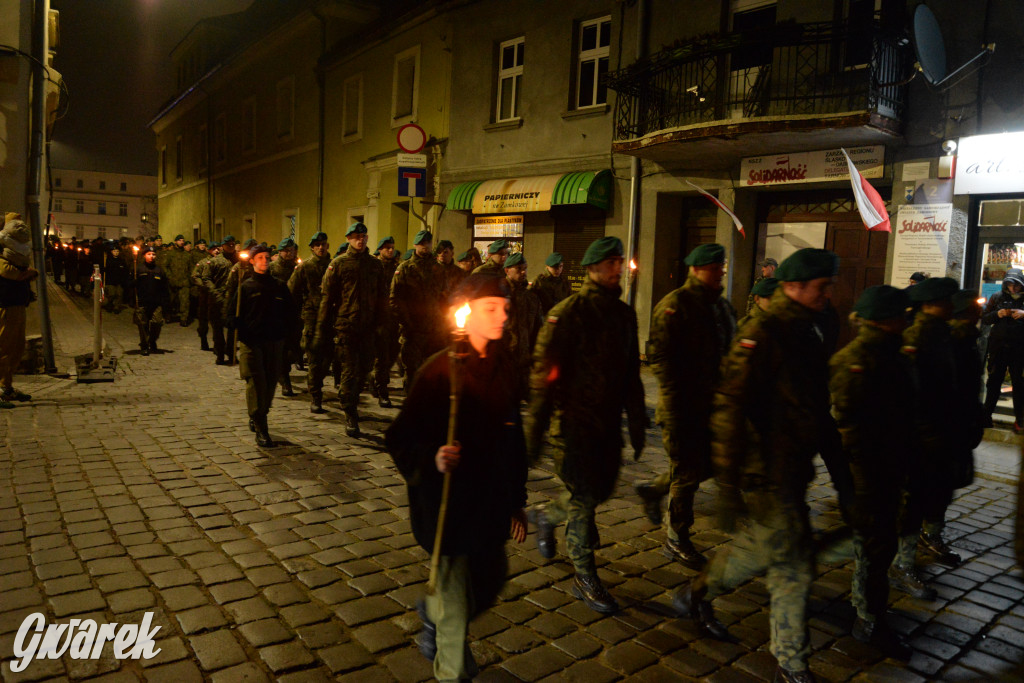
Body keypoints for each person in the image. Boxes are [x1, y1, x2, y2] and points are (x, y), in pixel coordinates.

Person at [673, 248, 842, 683]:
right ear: (792, 286)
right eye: (820, 287)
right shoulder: (762, 334)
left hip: (791, 468)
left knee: (777, 552)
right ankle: (790, 661)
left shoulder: (807, 333)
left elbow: (818, 411)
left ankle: (702, 592)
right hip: (761, 470)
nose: (826, 295)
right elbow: (729, 408)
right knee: (791, 562)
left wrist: (842, 475)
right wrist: (728, 487)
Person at [385, 272, 528, 683]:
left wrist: (516, 499)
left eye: (504, 307)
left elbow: (512, 439)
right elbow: (399, 437)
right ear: (468, 315)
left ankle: (431, 611)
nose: (502, 315)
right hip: (448, 508)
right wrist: (433, 457)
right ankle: (453, 668)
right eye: (491, 308)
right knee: (455, 611)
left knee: (489, 579)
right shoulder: (438, 372)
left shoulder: (503, 367)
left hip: (489, 505)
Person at [527, 236, 646, 614]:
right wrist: (534, 435)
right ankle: (584, 575)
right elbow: (544, 377)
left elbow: (631, 373)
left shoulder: (624, 314)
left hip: (607, 426)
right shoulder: (568, 313)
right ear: (592, 269)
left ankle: (546, 516)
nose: (617, 269)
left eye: (619, 261)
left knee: (598, 491)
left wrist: (639, 420)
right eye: (609, 262)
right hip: (573, 426)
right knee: (584, 501)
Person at [634, 243, 736, 568]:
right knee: (688, 472)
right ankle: (677, 538)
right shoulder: (675, 305)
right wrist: (678, 402)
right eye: (713, 267)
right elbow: (659, 358)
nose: (720, 271)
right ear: (695, 269)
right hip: (683, 408)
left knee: (704, 467)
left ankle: (654, 491)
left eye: (721, 267)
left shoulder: (721, 306)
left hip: (713, 407)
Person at [830, 285, 914, 657]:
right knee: (875, 542)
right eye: (901, 314)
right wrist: (860, 481)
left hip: (891, 463)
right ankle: (868, 617)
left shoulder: (894, 353)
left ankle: (869, 606)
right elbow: (847, 428)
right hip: (869, 470)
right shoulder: (857, 359)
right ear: (884, 320)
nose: (907, 319)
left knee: (880, 542)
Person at [895, 277, 964, 577]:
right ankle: (903, 564)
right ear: (931, 304)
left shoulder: (942, 335)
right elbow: (911, 395)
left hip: (940, 432)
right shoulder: (916, 338)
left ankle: (928, 539)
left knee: (937, 492)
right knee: (913, 501)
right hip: (922, 436)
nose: (953, 306)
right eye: (948, 301)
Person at [313, 222, 387, 437]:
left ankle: (350, 399)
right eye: (355, 236)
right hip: (346, 327)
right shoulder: (338, 264)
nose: (360, 239)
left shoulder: (375, 265)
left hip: (369, 328)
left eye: (363, 236)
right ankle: (350, 411)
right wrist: (321, 330)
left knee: (364, 370)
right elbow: (327, 299)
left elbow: (382, 297)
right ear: (348, 239)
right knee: (350, 371)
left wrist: (383, 324)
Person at [227, 244, 296, 447]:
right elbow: (231, 314)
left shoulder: (279, 286)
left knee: (271, 383)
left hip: (274, 341)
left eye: (267, 257)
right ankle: (261, 425)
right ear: (252, 261)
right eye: (260, 258)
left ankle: (258, 413)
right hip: (252, 342)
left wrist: (290, 338)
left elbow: (291, 313)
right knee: (256, 382)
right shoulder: (245, 287)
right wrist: (235, 323)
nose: (264, 261)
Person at [390, 230, 448, 386]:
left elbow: (444, 297)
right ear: (415, 245)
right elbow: (395, 299)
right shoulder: (405, 268)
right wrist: (407, 323)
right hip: (413, 328)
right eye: (422, 243)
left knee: (432, 369)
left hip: (434, 329)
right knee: (412, 370)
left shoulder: (438, 269)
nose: (426, 246)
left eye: (428, 243)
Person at [288, 232, 332, 413]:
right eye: (317, 245)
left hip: (331, 318)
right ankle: (315, 395)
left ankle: (317, 384)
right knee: (314, 358)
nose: (321, 247)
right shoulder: (305, 267)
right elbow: (291, 291)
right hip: (312, 318)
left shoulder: (334, 265)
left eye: (323, 244)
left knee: (328, 359)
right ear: (312, 248)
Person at [0, 218, 38, 408]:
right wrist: (28, 273)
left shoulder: (15, 254)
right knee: (3, 348)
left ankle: (6, 387)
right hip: (5, 306)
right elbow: (10, 273)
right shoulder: (2, 254)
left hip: (17, 305)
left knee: (16, 349)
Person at [981, 268, 1024, 431]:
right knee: (993, 383)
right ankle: (986, 417)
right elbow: (985, 318)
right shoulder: (997, 297)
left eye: (1017, 285)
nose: (1013, 289)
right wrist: (998, 314)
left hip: (1019, 349)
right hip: (998, 347)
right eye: (1010, 285)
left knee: (1019, 385)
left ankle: (1020, 420)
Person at [502, 252, 543, 396]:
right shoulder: (499, 296)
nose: (524, 272)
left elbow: (538, 330)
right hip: (504, 362)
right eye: (519, 268)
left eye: (525, 268)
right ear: (507, 270)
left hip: (524, 362)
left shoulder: (531, 298)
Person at [373, 236, 401, 407]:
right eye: (386, 248)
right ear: (380, 250)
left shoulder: (398, 268)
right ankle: (382, 389)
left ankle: (376, 379)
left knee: (392, 354)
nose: (390, 250)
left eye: (392, 247)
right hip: (379, 317)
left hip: (395, 318)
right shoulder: (375, 268)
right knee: (382, 356)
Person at [203, 235, 239, 364]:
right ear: (222, 246)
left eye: (232, 244)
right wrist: (216, 294)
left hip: (234, 299)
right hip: (217, 299)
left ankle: (231, 352)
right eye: (228, 244)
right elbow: (206, 279)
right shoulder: (215, 261)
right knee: (217, 329)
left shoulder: (239, 260)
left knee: (233, 329)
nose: (231, 246)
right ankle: (220, 353)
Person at [134, 246, 170, 356]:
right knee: (143, 324)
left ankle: (152, 340)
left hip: (156, 302)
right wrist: (133, 282)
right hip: (142, 301)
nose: (152, 256)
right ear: (144, 255)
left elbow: (164, 288)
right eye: (149, 254)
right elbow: (130, 285)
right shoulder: (138, 269)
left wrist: (166, 303)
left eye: (153, 254)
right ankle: (144, 345)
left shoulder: (159, 270)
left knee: (157, 322)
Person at [167, 234, 192, 324]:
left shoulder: (187, 255)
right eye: (180, 240)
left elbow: (191, 268)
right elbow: (165, 267)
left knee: (185, 302)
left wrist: (190, 279)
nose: (181, 242)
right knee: (170, 300)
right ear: (175, 242)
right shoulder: (170, 254)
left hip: (184, 282)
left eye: (183, 240)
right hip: (172, 281)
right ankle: (168, 316)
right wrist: (170, 277)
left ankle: (183, 319)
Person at [104, 243, 129, 313]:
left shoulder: (121, 260)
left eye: (117, 251)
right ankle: (110, 303)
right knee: (112, 294)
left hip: (119, 281)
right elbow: (106, 270)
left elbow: (125, 270)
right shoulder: (108, 260)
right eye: (114, 251)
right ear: (112, 252)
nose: (116, 253)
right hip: (110, 281)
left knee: (119, 294)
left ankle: (116, 306)